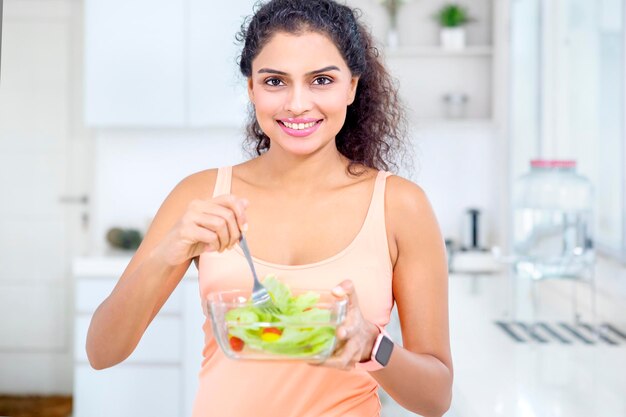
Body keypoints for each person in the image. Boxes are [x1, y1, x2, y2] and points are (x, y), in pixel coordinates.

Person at [86, 0, 453, 416]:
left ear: (351, 86)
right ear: (251, 89)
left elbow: (436, 397)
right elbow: (102, 352)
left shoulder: (400, 205)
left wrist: (374, 345)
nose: (297, 104)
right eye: (276, 81)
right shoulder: (202, 194)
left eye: (321, 80)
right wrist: (166, 253)